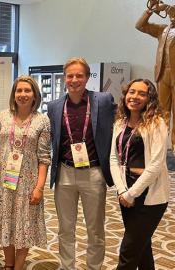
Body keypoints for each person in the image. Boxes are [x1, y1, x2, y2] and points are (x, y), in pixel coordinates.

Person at [47, 57, 116, 270]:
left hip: (93, 173)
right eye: (70, 76)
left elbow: (119, 127)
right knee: (65, 228)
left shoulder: (103, 101)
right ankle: (68, 266)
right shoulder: (54, 106)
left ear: (87, 77)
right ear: (64, 78)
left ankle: (93, 267)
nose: (74, 80)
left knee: (95, 229)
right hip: (65, 172)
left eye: (79, 75)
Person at [0, 75, 51, 270]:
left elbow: (44, 158)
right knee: (6, 220)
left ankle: (19, 266)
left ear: (35, 95)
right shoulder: (3, 116)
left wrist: (39, 187)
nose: (22, 94)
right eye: (19, 90)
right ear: (14, 94)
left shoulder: (42, 121)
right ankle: (8, 264)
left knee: (25, 224)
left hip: (28, 183)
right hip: (4, 179)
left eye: (27, 91)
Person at [109, 79, 170, 269]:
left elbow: (156, 165)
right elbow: (114, 159)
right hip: (125, 191)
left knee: (128, 251)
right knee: (142, 248)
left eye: (141, 94)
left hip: (150, 196)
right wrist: (121, 190)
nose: (135, 97)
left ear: (149, 98)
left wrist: (130, 193)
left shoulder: (156, 123)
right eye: (132, 92)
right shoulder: (120, 122)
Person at [136, 0, 175, 149]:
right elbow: (140, 26)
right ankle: (160, 148)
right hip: (163, 75)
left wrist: (165, 7)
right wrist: (151, 9)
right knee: (162, 115)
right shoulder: (163, 30)